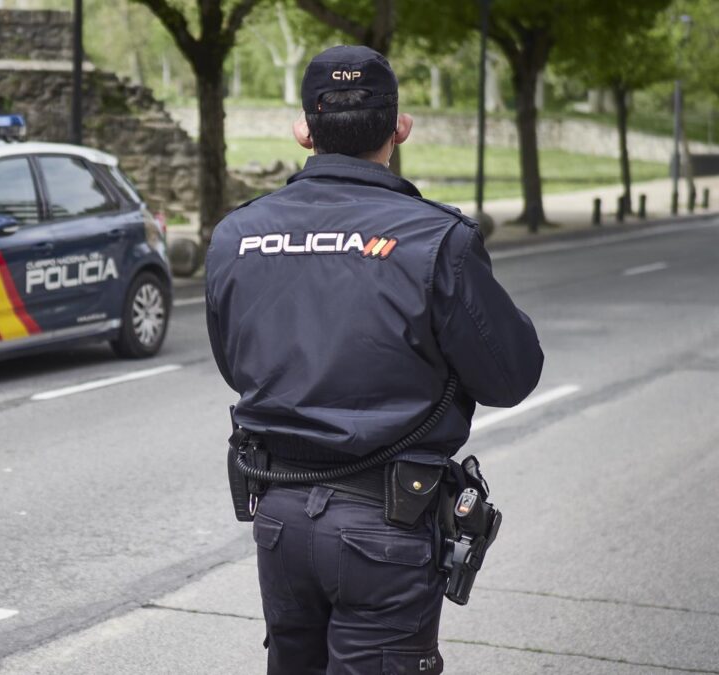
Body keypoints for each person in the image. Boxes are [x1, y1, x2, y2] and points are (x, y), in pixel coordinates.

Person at [205, 45, 543, 674]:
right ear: (399, 128)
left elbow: (236, 362)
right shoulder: (437, 238)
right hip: (387, 524)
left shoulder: (236, 234)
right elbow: (511, 376)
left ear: (305, 129)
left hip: (279, 517)